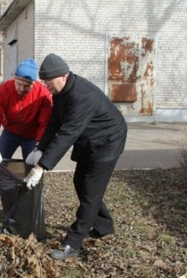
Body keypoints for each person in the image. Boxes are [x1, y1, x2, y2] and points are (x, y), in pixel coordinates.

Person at [24, 53, 127, 260]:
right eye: (42, 81)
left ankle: (73, 242)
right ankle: (104, 226)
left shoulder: (81, 96)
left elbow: (67, 133)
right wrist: (39, 148)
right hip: (90, 140)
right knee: (80, 182)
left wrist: (41, 167)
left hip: (108, 141)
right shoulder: (61, 92)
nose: (45, 85)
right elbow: (55, 122)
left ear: (63, 75)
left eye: (48, 81)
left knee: (90, 191)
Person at [0, 58, 53, 223]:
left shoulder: (43, 94)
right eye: (19, 83)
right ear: (14, 78)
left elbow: (44, 123)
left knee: (33, 171)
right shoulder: (4, 90)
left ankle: (30, 209)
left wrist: (38, 148)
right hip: (10, 132)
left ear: (34, 83)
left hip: (32, 135)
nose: (21, 88)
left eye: (27, 86)